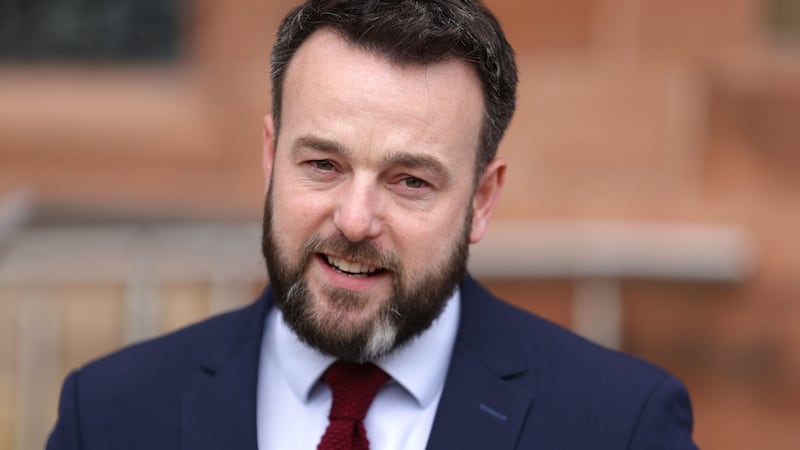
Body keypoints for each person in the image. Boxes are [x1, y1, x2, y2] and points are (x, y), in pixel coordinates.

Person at [46, 1, 698, 449]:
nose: (355, 221)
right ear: (272, 159)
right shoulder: (107, 415)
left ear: (481, 200)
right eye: (323, 164)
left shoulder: (620, 427)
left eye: (409, 181)